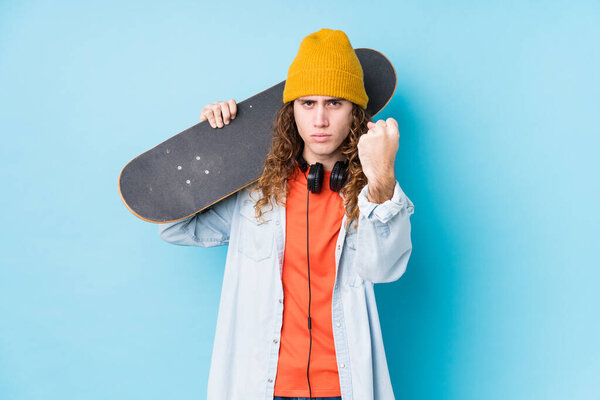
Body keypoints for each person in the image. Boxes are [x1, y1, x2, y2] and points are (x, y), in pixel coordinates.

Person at [159, 28, 415, 400]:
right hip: (262, 387)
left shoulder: (372, 195)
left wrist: (382, 177)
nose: (320, 120)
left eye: (334, 103)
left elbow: (385, 270)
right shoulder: (255, 195)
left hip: (342, 387)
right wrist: (210, 147)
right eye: (307, 103)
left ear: (355, 114)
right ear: (291, 111)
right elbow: (173, 227)